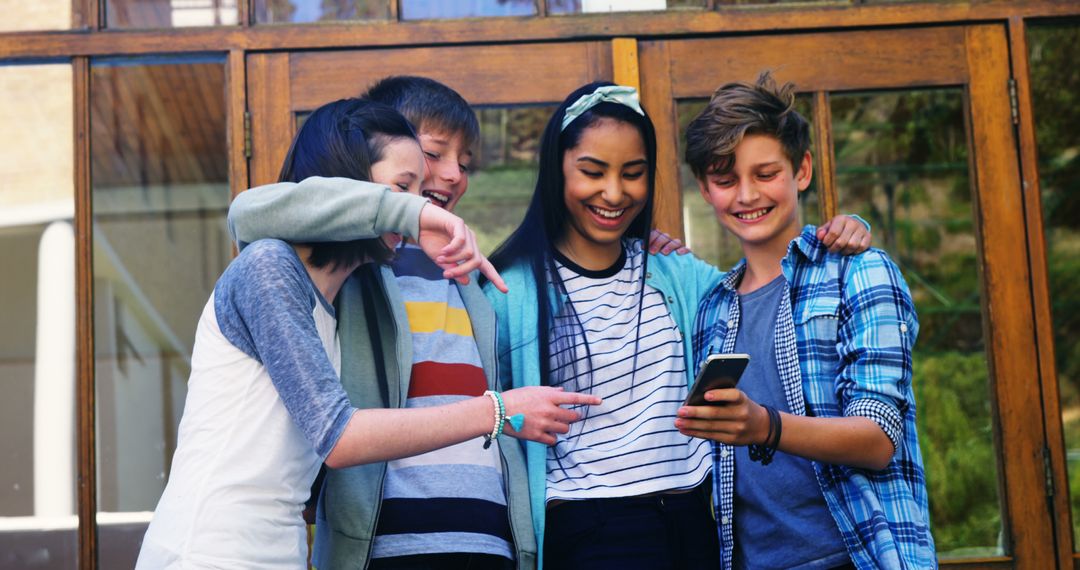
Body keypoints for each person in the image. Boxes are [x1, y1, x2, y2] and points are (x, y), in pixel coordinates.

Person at [136, 98, 597, 570]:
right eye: (402, 189)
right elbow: (340, 438)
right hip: (207, 549)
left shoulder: (338, 304)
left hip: (277, 551)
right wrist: (498, 411)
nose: (416, 205)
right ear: (353, 189)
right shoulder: (269, 267)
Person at [481, 81, 874, 570]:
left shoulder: (676, 274)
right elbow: (483, 420)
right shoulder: (508, 290)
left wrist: (841, 229)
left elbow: (761, 285)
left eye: (633, 173)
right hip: (587, 530)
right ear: (556, 170)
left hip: (696, 521)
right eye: (592, 171)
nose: (614, 192)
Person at [675, 72, 935, 569]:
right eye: (726, 181)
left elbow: (879, 438)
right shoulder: (711, 309)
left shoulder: (860, 271)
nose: (746, 195)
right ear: (706, 191)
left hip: (860, 556)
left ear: (802, 170)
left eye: (765, 173)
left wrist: (766, 427)